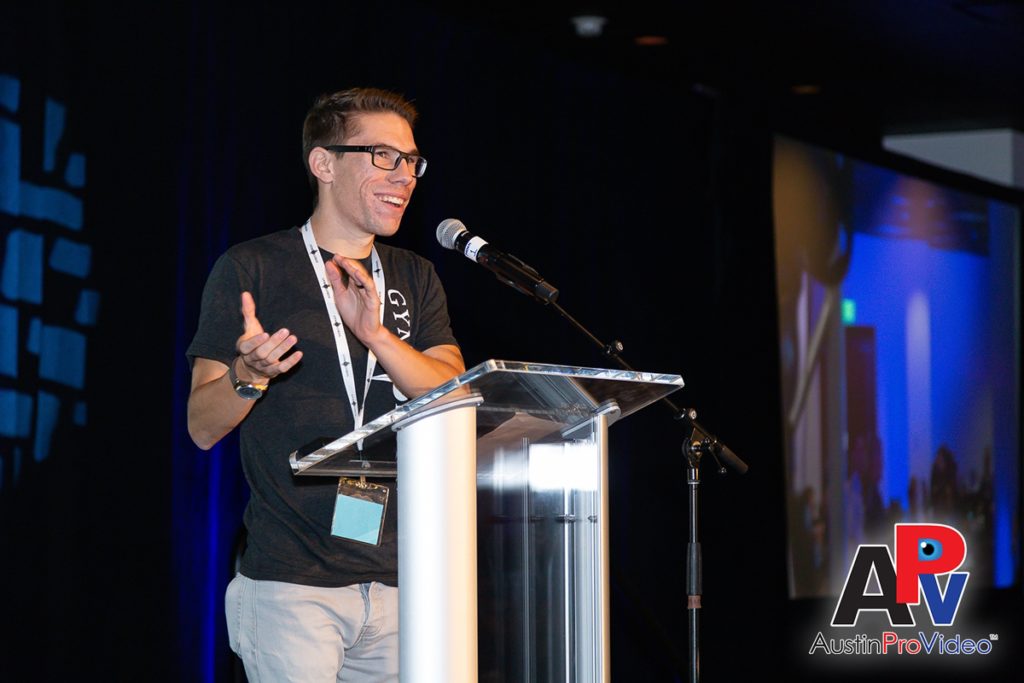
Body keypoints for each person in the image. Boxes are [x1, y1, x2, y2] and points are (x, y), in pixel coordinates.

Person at [186, 87, 465, 682]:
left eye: (411, 160)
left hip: (406, 581)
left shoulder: (415, 276)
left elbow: (453, 394)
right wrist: (248, 375)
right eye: (384, 156)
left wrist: (377, 336)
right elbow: (201, 427)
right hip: (293, 585)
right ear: (324, 163)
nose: (405, 175)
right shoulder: (252, 267)